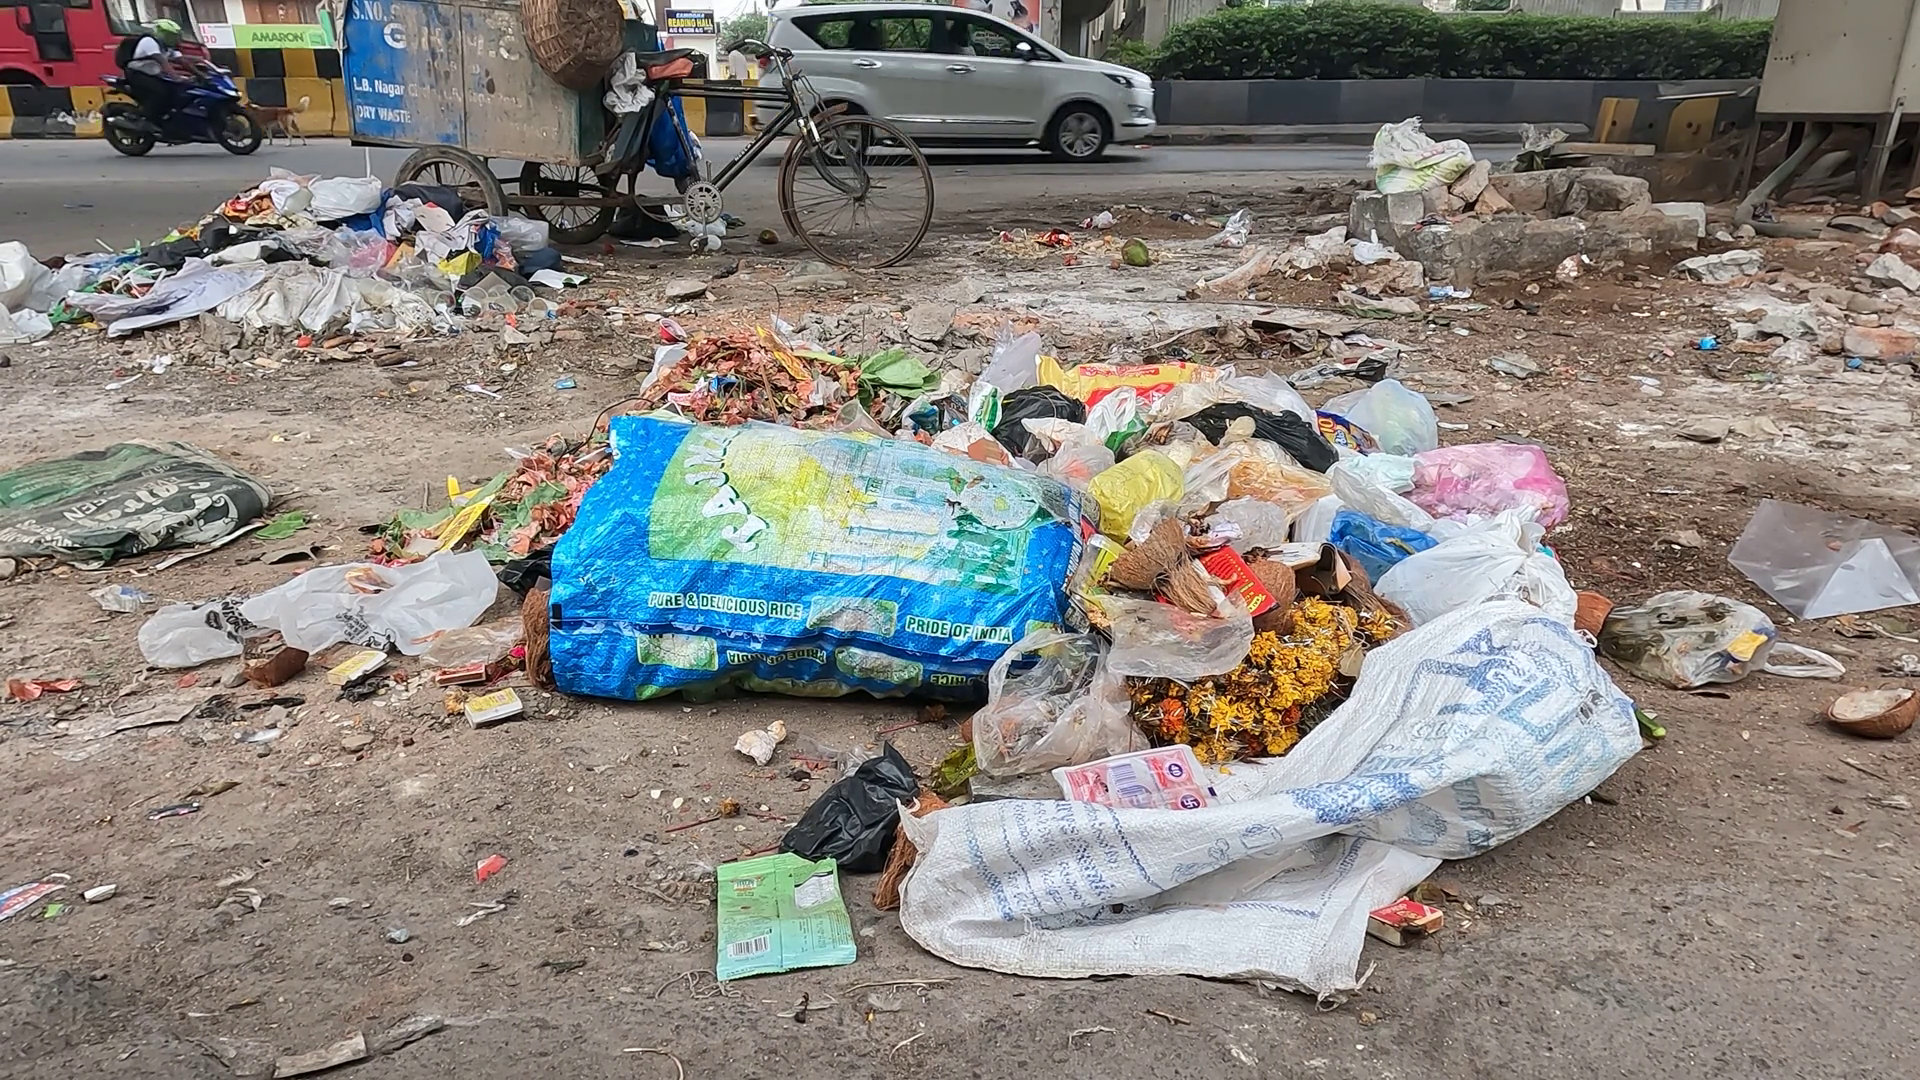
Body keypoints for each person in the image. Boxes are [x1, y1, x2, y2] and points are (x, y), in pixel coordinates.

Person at [116, 19, 189, 131]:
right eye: (172, 36)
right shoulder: (149, 42)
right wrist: (176, 77)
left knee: (176, 91)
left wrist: (201, 75)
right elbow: (162, 61)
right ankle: (145, 119)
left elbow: (183, 61)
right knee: (160, 93)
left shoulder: (169, 47)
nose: (175, 39)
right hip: (137, 74)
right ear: (162, 33)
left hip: (152, 74)